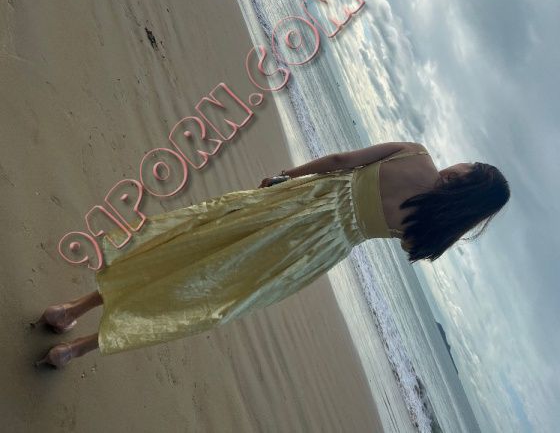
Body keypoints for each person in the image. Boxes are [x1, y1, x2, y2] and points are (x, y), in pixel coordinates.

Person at [32, 141, 510, 369]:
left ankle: (69, 310)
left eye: (470, 163)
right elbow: (380, 229)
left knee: (190, 246)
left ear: (469, 173)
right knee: (208, 288)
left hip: (291, 207)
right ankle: (72, 350)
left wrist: (287, 175)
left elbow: (340, 162)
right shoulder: (429, 230)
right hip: (310, 252)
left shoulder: (415, 153)